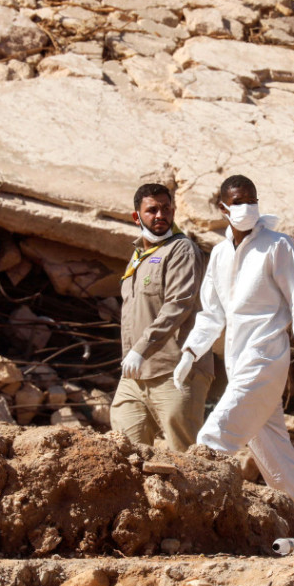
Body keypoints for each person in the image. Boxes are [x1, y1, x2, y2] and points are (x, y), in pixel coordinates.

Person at [175, 174, 294, 541]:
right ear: (223, 207)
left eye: (252, 200)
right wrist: (191, 350)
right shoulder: (218, 254)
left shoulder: (280, 247)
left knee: (213, 437)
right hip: (237, 359)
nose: (246, 207)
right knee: (276, 457)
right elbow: (212, 312)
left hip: (266, 359)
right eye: (238, 201)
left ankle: (189, 524)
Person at [110, 183, 214, 452]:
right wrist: (131, 356)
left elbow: (178, 305)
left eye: (166, 209)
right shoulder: (138, 255)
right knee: (124, 452)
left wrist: (141, 349)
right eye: (152, 210)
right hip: (135, 373)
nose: (160, 215)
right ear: (137, 216)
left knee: (186, 456)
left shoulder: (182, 250)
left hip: (176, 371)